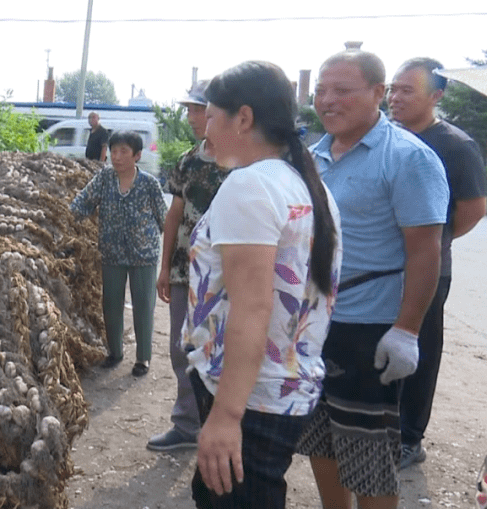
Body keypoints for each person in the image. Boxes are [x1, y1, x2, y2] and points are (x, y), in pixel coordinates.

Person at [182, 61, 342, 509]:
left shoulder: (249, 186)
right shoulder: (304, 184)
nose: (204, 129)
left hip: (250, 396)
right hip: (279, 388)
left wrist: (226, 416)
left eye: (211, 116)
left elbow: (252, 307)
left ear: (244, 118)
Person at [296, 50, 448, 509]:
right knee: (319, 438)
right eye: (322, 90)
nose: (327, 100)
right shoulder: (313, 156)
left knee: (368, 452)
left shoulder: (407, 158)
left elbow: (426, 250)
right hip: (314, 324)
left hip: (369, 331)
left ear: (378, 94)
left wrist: (406, 331)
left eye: (342, 90)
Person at [388, 57, 487, 469]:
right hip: (379, 267)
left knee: (420, 349)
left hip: (427, 269)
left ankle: (410, 437)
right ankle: (381, 427)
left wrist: (432, 244)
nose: (395, 98)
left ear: (437, 96)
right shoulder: (384, 138)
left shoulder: (454, 145)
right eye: (393, 89)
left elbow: (472, 210)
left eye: (406, 90)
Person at [148, 80, 230, 452]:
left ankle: (222, 424)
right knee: (182, 348)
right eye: (191, 110)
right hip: (185, 271)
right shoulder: (187, 161)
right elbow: (174, 216)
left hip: (226, 275)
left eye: (199, 110)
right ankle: (187, 423)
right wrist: (164, 267)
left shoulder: (239, 164)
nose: (193, 117)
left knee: (223, 349)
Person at [70, 130, 167, 376]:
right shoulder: (104, 179)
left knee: (143, 305)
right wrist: (64, 215)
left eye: (124, 151)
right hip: (112, 252)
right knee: (111, 304)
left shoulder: (149, 184)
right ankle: (115, 352)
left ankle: (143, 358)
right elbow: (82, 202)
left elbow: (164, 219)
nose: (117, 157)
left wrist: (169, 255)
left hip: (143, 254)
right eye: (114, 151)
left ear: (137, 155)